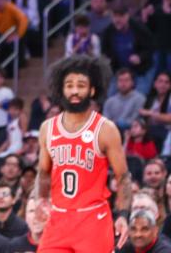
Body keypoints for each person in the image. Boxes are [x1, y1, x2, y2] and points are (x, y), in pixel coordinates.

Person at [36, 55, 132, 253]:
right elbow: (44, 172)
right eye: (69, 85)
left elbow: (122, 176)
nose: (74, 91)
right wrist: (41, 199)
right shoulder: (48, 128)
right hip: (59, 219)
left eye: (81, 85)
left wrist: (123, 214)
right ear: (61, 90)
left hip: (93, 219)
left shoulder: (105, 129)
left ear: (92, 90)